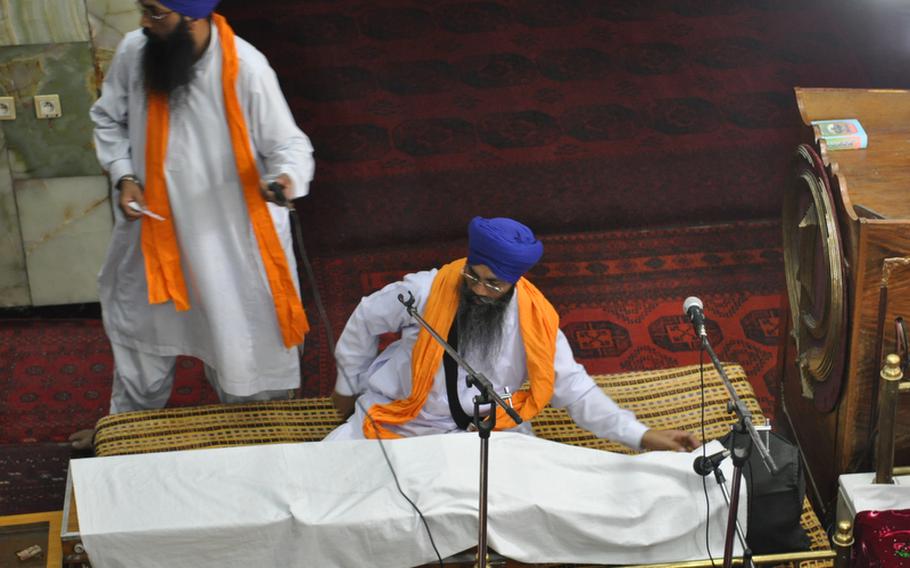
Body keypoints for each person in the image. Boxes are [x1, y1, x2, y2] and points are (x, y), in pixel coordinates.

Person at [70, 0, 314, 449]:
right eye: (143, 10)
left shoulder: (247, 69)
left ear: (195, 16)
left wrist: (284, 179)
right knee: (142, 341)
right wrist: (124, 175)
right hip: (155, 233)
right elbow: (108, 120)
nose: (144, 23)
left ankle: (258, 448)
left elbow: (290, 146)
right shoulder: (134, 51)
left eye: (156, 13)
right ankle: (123, 434)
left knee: (243, 351)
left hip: (231, 246)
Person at [327, 217, 700, 453]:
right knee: (326, 489)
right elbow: (364, 319)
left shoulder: (533, 320)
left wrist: (640, 435)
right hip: (402, 421)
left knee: (526, 516)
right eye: (473, 275)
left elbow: (575, 388)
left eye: (493, 285)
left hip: (489, 432)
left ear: (513, 283)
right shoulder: (424, 292)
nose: (478, 289)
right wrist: (347, 386)